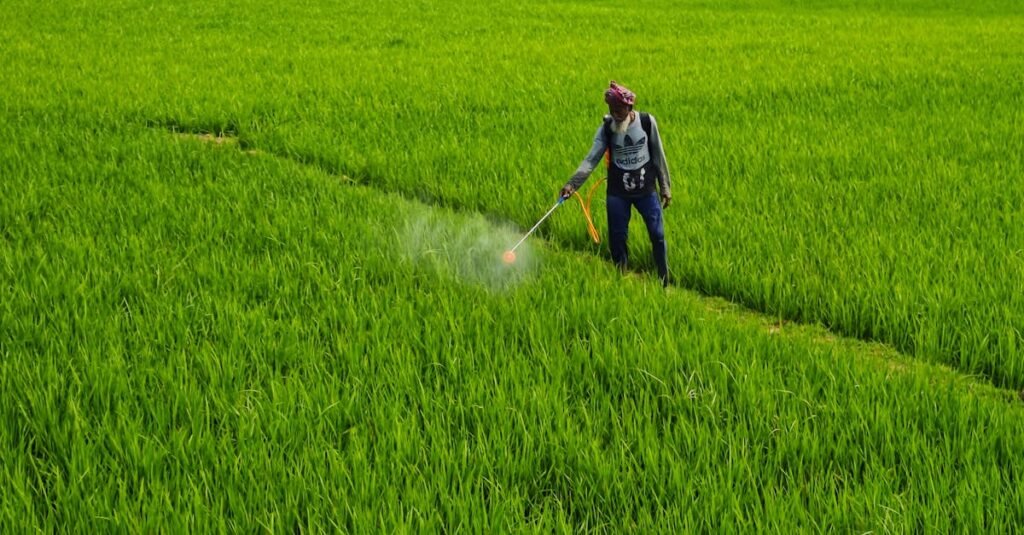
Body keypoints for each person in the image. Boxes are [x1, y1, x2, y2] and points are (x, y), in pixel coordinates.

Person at [560, 81, 672, 286]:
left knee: (657, 234)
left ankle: (664, 279)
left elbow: (658, 155)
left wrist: (665, 186)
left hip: (646, 189)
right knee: (617, 238)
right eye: (612, 110)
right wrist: (572, 184)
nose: (616, 114)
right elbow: (590, 160)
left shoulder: (647, 122)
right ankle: (620, 277)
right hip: (618, 191)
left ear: (630, 108)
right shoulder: (607, 129)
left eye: (619, 109)